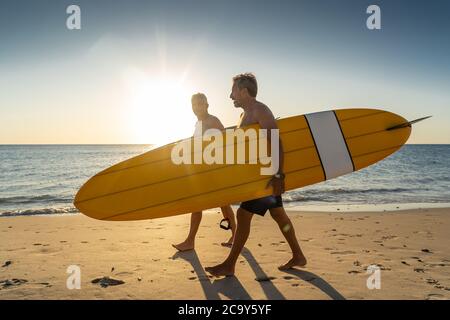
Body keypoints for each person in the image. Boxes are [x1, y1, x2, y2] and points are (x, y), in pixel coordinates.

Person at [205, 73, 307, 276]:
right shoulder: (244, 114)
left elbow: (276, 141)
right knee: (278, 214)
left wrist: (279, 175)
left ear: (243, 91)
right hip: (259, 174)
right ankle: (298, 255)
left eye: (233, 91)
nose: (230, 95)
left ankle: (229, 264)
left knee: (243, 215)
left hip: (266, 175)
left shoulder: (260, 110)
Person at [172, 93, 236, 252]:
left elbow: (227, 140)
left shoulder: (211, 120)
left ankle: (190, 241)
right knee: (223, 204)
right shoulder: (199, 123)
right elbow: (198, 143)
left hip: (214, 170)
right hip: (206, 170)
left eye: (200, 104)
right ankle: (235, 236)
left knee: (200, 204)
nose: (197, 107)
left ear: (207, 105)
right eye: (194, 104)